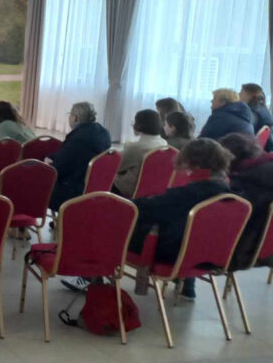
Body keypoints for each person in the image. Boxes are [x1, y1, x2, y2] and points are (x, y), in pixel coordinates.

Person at [127, 138, 235, 301]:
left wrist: (121, 203)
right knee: (189, 230)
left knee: (121, 225)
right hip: (210, 254)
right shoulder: (228, 193)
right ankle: (187, 285)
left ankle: (96, 280)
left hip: (172, 255)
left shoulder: (187, 194)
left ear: (194, 165)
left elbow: (146, 208)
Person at [219, 133, 273, 271]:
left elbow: (228, 221)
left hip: (243, 253)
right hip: (266, 249)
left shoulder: (245, 185)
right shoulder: (266, 167)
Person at [48, 102, 112, 209]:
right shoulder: (103, 133)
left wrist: (48, 164)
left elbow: (59, 169)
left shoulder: (78, 138)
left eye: (70, 114)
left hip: (71, 192)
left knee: (32, 182)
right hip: (95, 189)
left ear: (76, 118)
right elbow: (75, 156)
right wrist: (53, 157)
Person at [113, 110, 168, 196]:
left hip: (129, 189)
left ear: (139, 125)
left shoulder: (135, 148)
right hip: (153, 188)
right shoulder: (164, 142)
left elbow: (116, 166)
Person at [240, 83, 273, 151]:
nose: (239, 94)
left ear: (249, 95)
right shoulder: (263, 108)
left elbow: (246, 130)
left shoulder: (253, 112)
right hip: (264, 147)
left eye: (241, 92)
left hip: (253, 149)